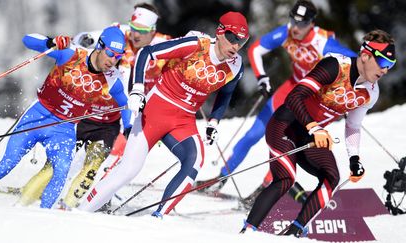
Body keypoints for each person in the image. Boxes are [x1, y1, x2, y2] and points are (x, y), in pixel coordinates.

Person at [78, 11, 249, 217]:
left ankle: (158, 218)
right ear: (220, 32)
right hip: (157, 108)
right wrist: (138, 89)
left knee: (195, 161)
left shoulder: (236, 65)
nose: (235, 46)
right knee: (128, 170)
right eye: (232, 38)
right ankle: (80, 212)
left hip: (184, 120)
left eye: (242, 41)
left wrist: (213, 121)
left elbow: (226, 93)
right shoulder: (196, 45)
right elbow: (145, 53)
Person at [197, 0, 357, 208]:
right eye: (293, 21)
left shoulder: (323, 42)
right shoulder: (287, 32)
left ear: (312, 23)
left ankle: (263, 189)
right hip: (289, 90)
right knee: (253, 134)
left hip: (312, 101)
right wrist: (262, 78)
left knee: (285, 145)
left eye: (302, 23)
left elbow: (357, 65)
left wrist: (345, 94)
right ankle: (220, 178)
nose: (296, 27)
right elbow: (255, 50)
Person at [240, 29, 396, 236]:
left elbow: (353, 126)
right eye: (384, 63)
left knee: (331, 177)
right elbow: (294, 97)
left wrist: (354, 159)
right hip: (285, 124)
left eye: (390, 66)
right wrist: (314, 127)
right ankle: (247, 232)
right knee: (285, 179)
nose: (385, 71)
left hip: (310, 135)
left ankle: (295, 232)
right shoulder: (334, 65)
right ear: (366, 56)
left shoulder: (371, 92)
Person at [16, 3, 171, 209]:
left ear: (152, 30)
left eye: (141, 31)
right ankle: (25, 199)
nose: (135, 35)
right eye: (133, 28)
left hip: (111, 121)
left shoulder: (163, 43)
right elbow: (82, 40)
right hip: (85, 114)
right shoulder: (118, 35)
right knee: (57, 163)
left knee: (93, 165)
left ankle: (71, 204)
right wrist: (82, 41)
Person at [0, 26, 131, 208]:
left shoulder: (113, 78)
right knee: (7, 163)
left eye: (119, 56)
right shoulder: (71, 54)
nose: (113, 60)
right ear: (100, 46)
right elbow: (27, 39)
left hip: (64, 128)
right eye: (111, 53)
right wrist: (50, 42)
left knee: (61, 171)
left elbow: (125, 104)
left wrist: (127, 126)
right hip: (39, 115)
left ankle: (45, 217)